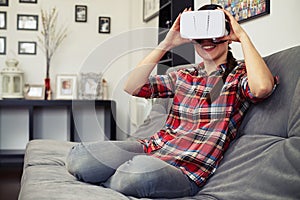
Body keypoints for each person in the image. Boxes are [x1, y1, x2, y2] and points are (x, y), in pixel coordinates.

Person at [66, 4, 278, 198]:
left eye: (213, 33)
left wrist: (242, 36)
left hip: (185, 170)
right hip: (153, 149)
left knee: (137, 173)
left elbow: (262, 88)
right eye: (200, 35)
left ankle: (115, 178)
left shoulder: (238, 75)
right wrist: (167, 42)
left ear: (227, 34)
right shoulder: (184, 75)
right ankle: (117, 178)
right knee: (81, 158)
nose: (207, 42)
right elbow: (132, 87)